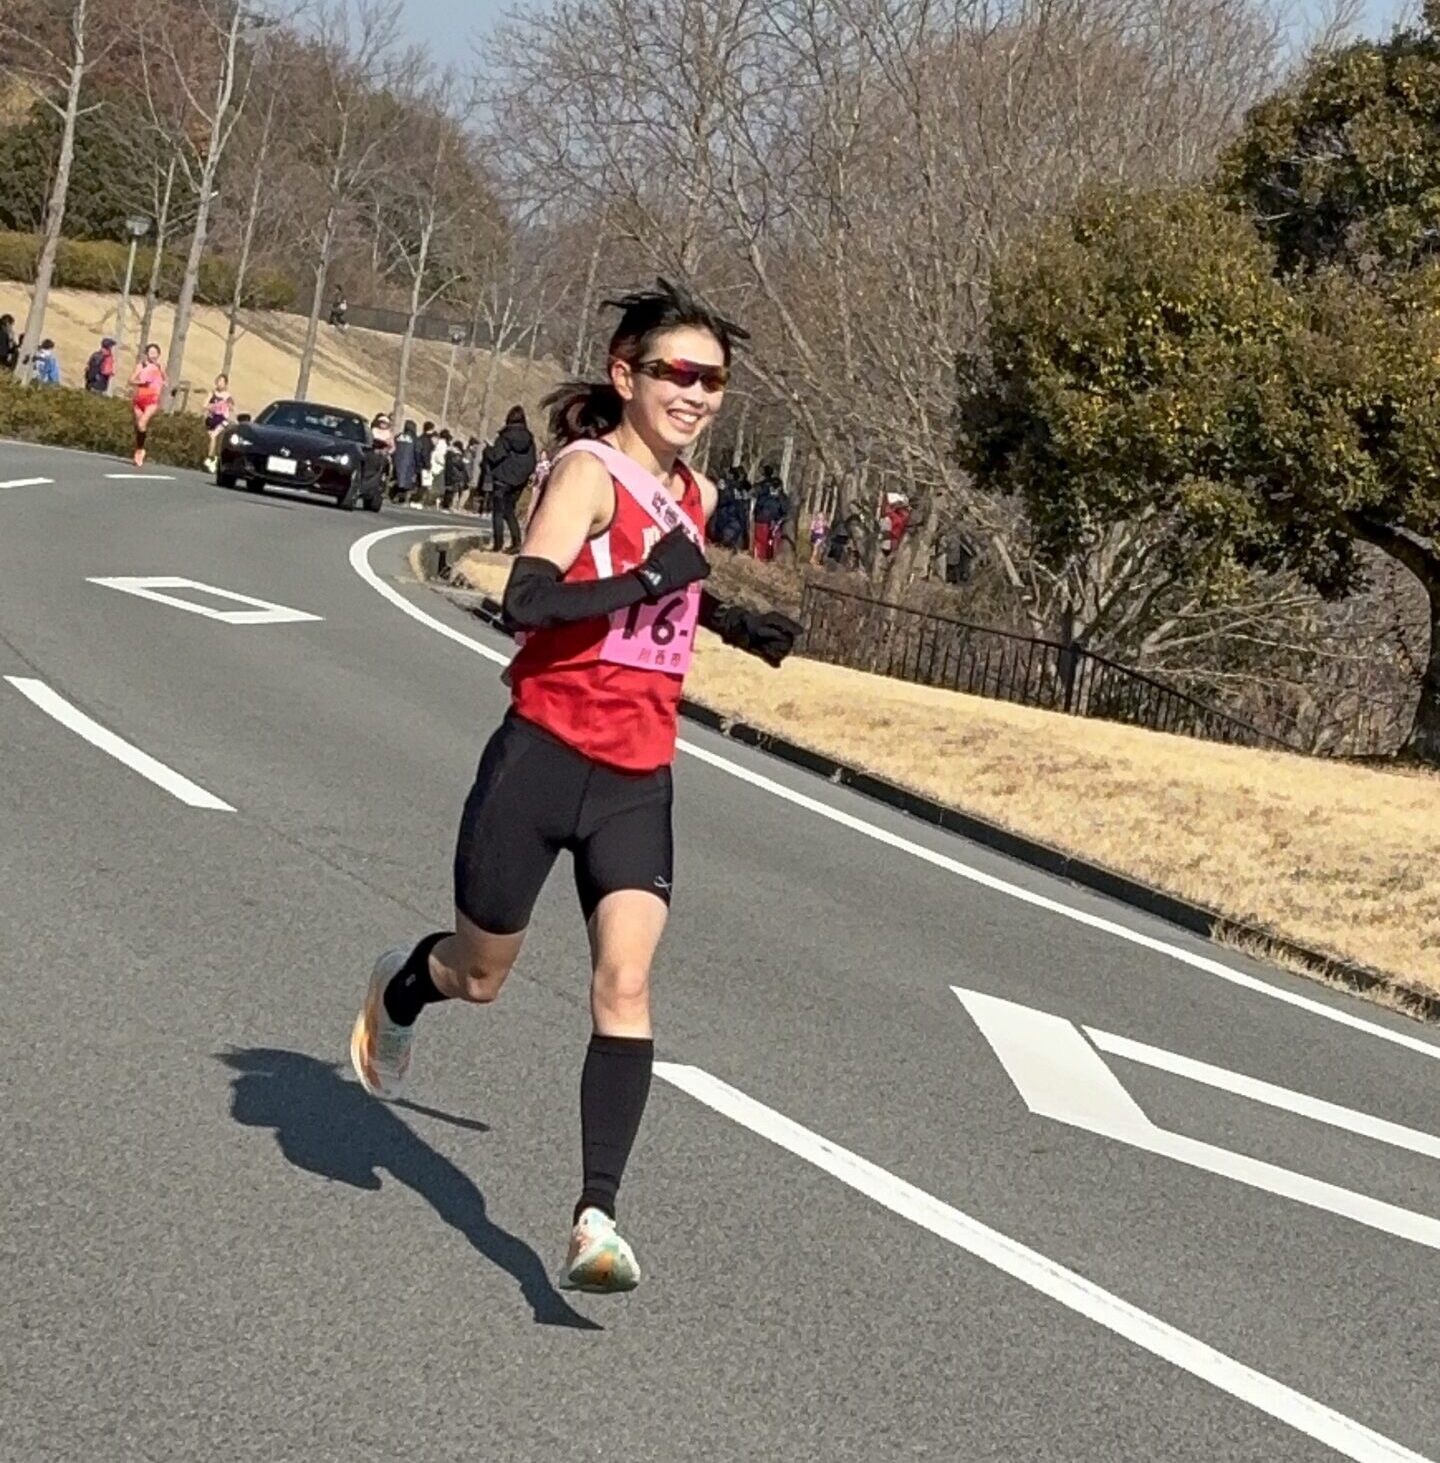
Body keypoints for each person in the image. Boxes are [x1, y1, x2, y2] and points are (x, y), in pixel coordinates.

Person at [348, 280, 803, 1294]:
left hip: (640, 774)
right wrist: (653, 576)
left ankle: (597, 1215)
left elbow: (675, 583)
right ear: (626, 373)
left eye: (714, 379)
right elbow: (529, 599)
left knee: (627, 983)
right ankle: (404, 983)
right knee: (482, 973)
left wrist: (730, 621)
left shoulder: (700, 495)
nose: (695, 393)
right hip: (543, 754)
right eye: (676, 373)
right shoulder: (590, 474)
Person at [483, 405, 537, 554]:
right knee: (509, 511)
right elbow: (532, 461)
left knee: (498, 513)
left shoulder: (505, 437)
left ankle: (497, 544)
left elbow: (495, 456)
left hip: (502, 479)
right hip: (519, 482)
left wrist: (487, 450)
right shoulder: (529, 440)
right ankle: (516, 542)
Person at [128, 344, 167, 467]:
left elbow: (166, 380)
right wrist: (141, 382)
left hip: (152, 399)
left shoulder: (160, 367)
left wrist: (163, 381)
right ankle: (140, 448)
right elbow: (130, 380)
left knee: (142, 423)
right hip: (139, 399)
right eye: (151, 352)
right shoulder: (141, 366)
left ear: (158, 354)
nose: (153, 355)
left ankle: (139, 452)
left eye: (155, 352)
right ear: (146, 354)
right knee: (140, 427)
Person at [752, 464, 788, 561]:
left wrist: (778, 521)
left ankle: (769, 559)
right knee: (762, 541)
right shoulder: (764, 493)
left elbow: (785, 511)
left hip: (772, 521)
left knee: (772, 542)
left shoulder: (781, 497)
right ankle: (761, 558)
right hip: (763, 520)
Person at [203, 375, 235, 471]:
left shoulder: (227, 396)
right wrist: (212, 406)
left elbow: (232, 408)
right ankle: (213, 459)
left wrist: (226, 405)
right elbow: (204, 405)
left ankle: (210, 459)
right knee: (211, 440)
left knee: (213, 436)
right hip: (212, 419)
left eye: (222, 382)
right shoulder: (212, 393)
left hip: (222, 420)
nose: (220, 383)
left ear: (225, 384)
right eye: (218, 381)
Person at [392, 420, 419, 503]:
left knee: (398, 479)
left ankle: (394, 496)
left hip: (397, 461)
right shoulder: (415, 439)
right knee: (406, 482)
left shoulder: (398, 437)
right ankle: (402, 498)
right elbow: (417, 452)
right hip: (410, 463)